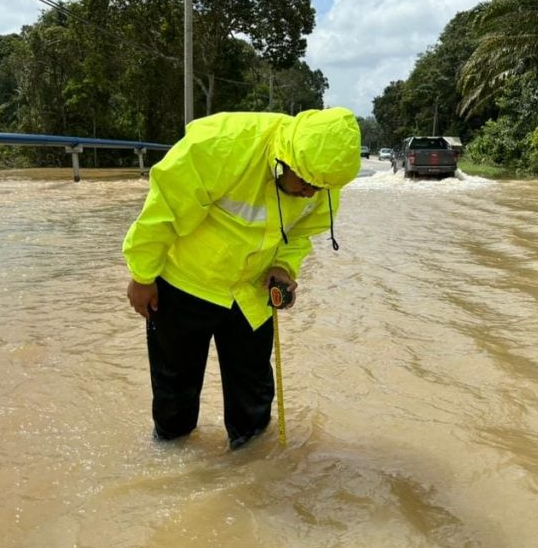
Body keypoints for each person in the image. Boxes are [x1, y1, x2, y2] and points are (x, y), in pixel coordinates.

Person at [122, 107, 362, 449]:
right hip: (186, 283)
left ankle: (250, 468)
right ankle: (171, 461)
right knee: (174, 391)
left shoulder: (323, 178)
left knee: (253, 398)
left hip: (251, 291)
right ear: (285, 160)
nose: (312, 193)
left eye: (321, 187)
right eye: (307, 184)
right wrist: (143, 275)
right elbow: (164, 210)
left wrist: (283, 268)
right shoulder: (220, 145)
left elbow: (300, 234)